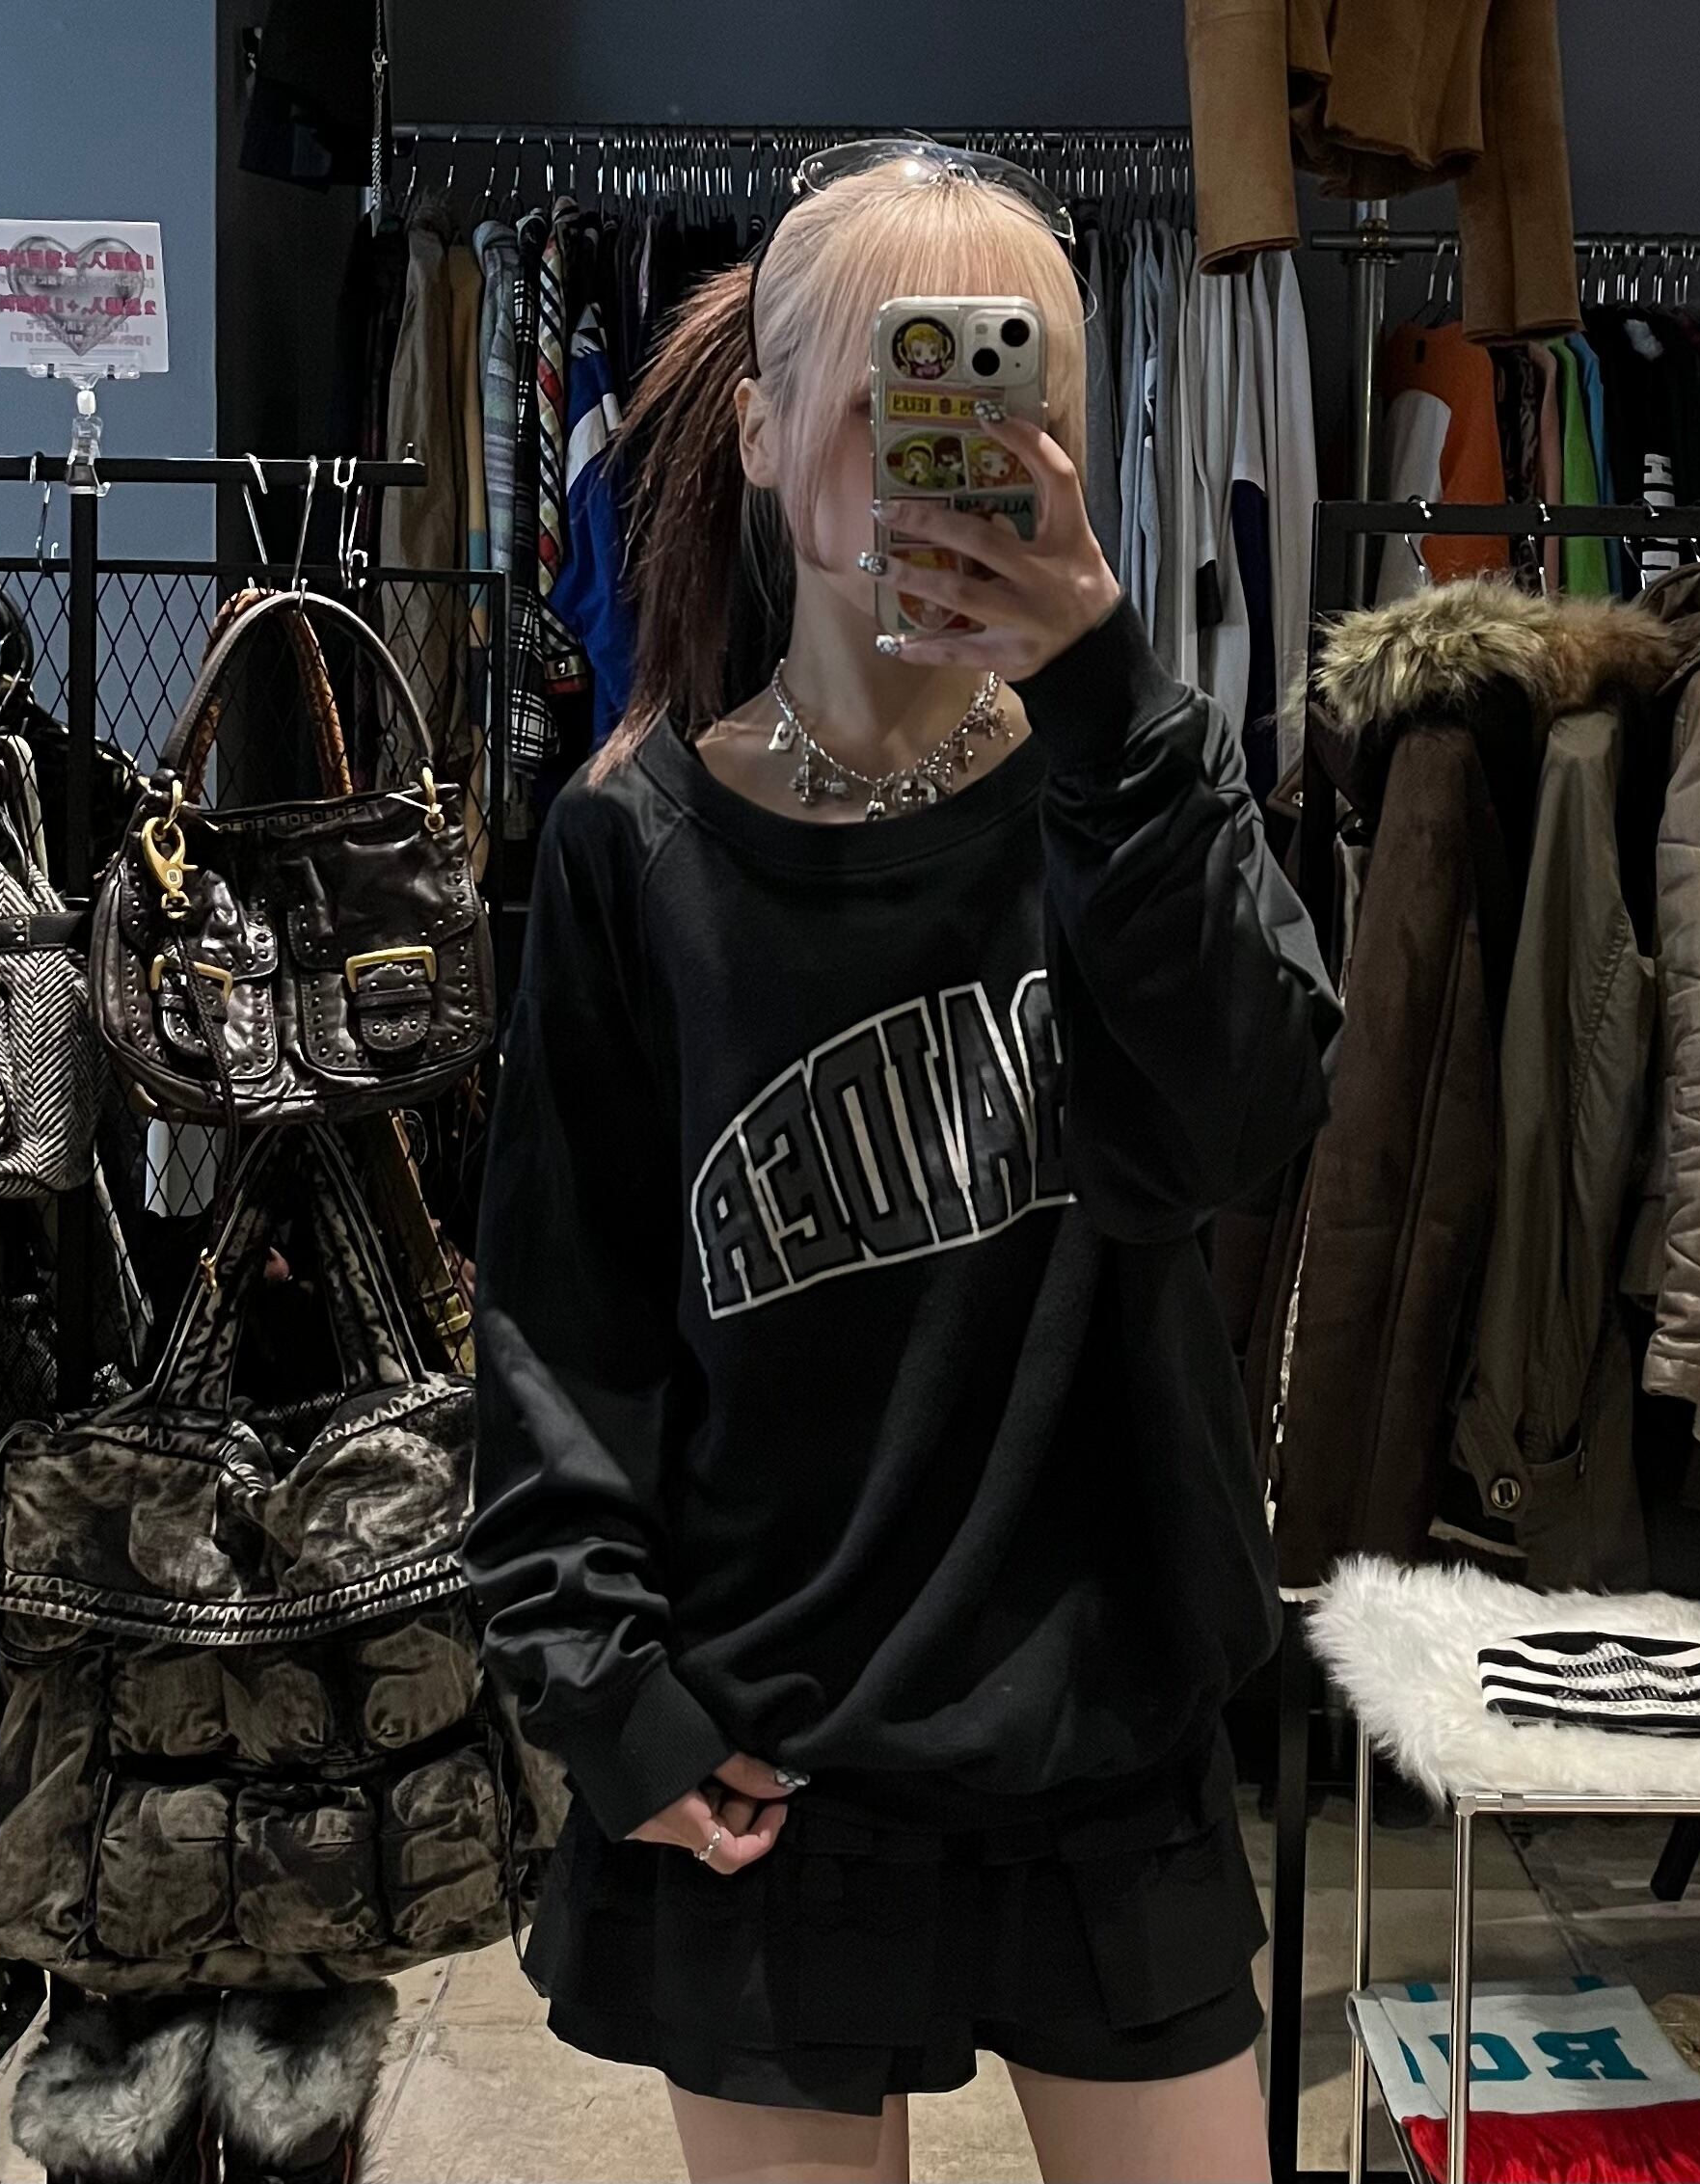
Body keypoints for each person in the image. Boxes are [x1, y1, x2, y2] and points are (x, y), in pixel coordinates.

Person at [467, 140, 1339, 2184]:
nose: (952, 460)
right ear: (762, 432)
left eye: (1013, 400)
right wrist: (604, 1693)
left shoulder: (1130, 787)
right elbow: (562, 1319)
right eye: (893, 398)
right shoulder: (634, 848)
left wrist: (1107, 700)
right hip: (767, 1741)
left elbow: (1240, 1130)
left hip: (1101, 1718)